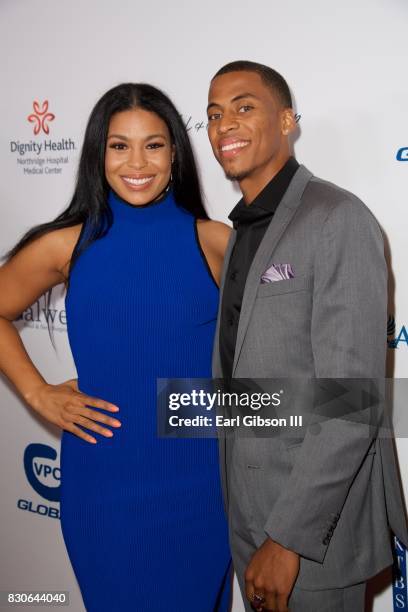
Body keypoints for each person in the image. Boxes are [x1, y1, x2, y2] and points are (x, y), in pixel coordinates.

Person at [0, 83, 232, 611]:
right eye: (118, 145)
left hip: (201, 487)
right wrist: (37, 393)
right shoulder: (66, 245)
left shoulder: (216, 241)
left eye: (153, 144)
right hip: (106, 485)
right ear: (97, 154)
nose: (137, 162)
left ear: (175, 152)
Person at [206, 60, 408, 611]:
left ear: (288, 119)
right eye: (214, 114)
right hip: (247, 517)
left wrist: (287, 537)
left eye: (244, 107)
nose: (226, 125)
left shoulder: (336, 217)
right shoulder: (242, 230)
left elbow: (352, 400)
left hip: (312, 535)